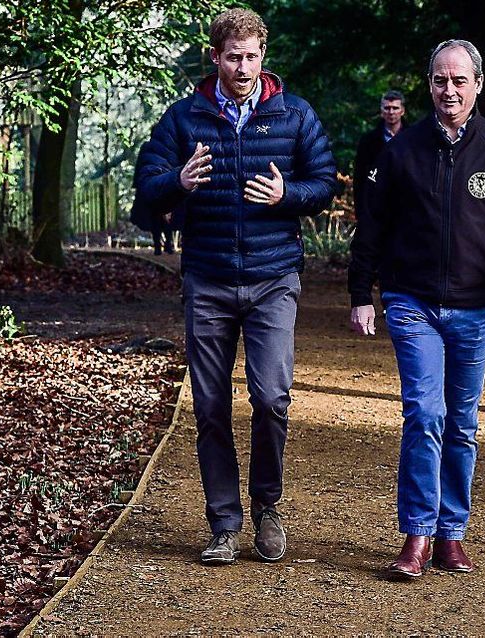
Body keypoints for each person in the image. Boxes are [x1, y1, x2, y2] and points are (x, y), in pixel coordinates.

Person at [132, 8, 337, 565]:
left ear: (262, 56)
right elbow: (144, 191)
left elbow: (323, 183)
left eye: (251, 57)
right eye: (232, 57)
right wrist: (176, 182)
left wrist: (286, 196)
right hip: (209, 280)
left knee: (271, 398)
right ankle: (223, 522)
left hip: (274, 279)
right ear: (215, 57)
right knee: (210, 405)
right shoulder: (184, 119)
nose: (243, 67)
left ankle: (268, 507)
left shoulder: (294, 115)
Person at [347, 39, 485, 578]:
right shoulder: (401, 151)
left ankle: (451, 533)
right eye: (439, 80)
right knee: (424, 414)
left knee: (461, 423)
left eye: (459, 80)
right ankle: (416, 533)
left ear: (477, 84)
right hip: (412, 304)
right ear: (428, 85)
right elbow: (373, 226)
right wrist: (361, 292)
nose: (449, 90)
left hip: (476, 310)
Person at [352, 90, 406, 215]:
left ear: (402, 111)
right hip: (376, 208)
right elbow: (359, 179)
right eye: (387, 108)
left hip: (405, 208)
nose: (391, 112)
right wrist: (361, 212)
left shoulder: (413, 139)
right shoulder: (368, 141)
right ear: (381, 111)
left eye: (395, 108)